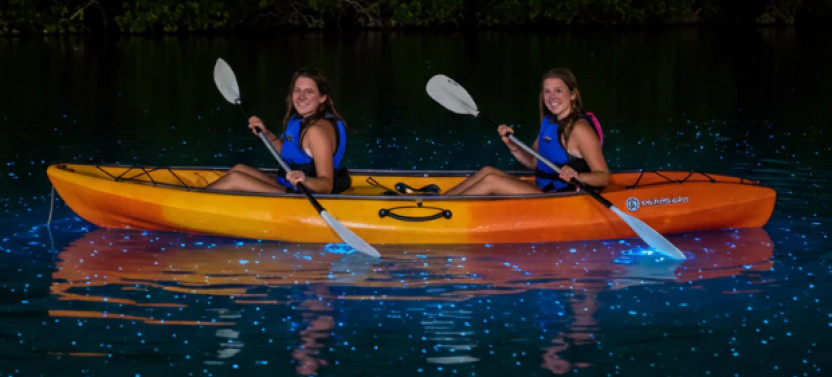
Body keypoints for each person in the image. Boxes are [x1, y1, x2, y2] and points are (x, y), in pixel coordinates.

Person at [443, 68, 609, 196]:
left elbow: (603, 177)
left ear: (572, 95)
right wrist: (512, 146)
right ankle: (438, 202)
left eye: (558, 91)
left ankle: (445, 213)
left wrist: (577, 175)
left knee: (491, 181)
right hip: (543, 189)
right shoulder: (549, 121)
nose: (552, 97)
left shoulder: (580, 129)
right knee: (488, 171)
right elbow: (533, 162)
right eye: (547, 91)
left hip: (561, 197)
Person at [207, 68, 350, 194]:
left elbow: (326, 184)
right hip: (289, 185)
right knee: (239, 169)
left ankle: (192, 204)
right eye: (297, 90)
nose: (301, 97)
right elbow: (290, 152)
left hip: (303, 194)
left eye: (309, 92)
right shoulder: (301, 119)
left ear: (322, 98)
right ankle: (198, 198)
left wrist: (304, 180)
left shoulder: (316, 131)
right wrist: (266, 134)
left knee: (235, 179)